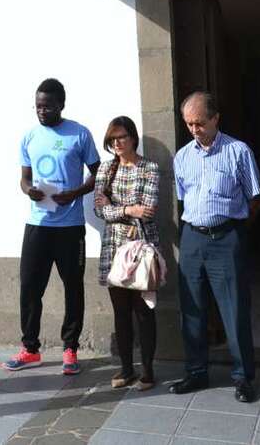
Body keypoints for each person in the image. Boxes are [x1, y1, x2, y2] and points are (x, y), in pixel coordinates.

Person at [2, 78, 100, 375]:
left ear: (61, 105)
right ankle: (30, 349)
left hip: (70, 226)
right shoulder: (29, 137)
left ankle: (70, 348)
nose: (42, 111)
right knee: (30, 287)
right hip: (38, 224)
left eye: (47, 106)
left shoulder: (79, 134)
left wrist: (75, 193)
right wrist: (28, 190)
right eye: (38, 106)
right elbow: (24, 178)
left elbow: (98, 173)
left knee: (73, 287)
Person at [170, 91, 260, 402]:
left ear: (215, 118)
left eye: (200, 123)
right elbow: (183, 198)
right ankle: (196, 371)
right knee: (192, 307)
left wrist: (236, 231)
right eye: (189, 124)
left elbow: (255, 198)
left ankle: (244, 377)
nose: (194, 129)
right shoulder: (182, 157)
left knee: (234, 308)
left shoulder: (238, 151)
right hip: (192, 237)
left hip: (226, 236)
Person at [94, 116, 159, 391]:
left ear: (133, 137)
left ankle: (148, 370)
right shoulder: (106, 169)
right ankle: (126, 368)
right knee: (120, 312)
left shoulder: (149, 168)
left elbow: (148, 210)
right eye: (113, 139)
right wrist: (129, 209)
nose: (117, 143)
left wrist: (115, 207)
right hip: (113, 247)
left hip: (140, 246)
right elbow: (98, 209)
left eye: (122, 137)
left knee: (143, 310)